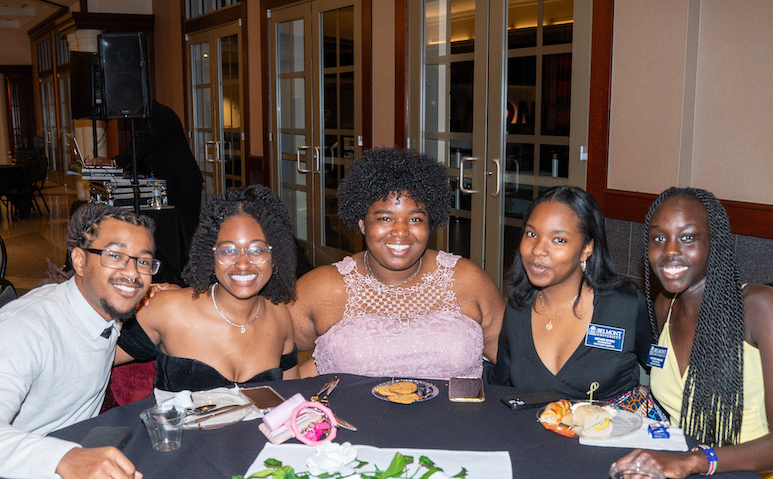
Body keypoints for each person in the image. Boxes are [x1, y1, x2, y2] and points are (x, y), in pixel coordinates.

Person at [619, 188, 773, 479]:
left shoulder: (757, 306)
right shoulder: (664, 306)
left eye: (688, 238)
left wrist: (695, 461)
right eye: (659, 239)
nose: (670, 251)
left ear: (714, 245)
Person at [289, 147, 506, 379]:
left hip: (461, 415)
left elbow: (512, 363)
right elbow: (270, 354)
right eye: (385, 218)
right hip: (351, 416)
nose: (401, 231)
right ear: (362, 224)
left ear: (429, 223)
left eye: (415, 219)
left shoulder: (468, 280)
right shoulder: (323, 288)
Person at [0, 203, 156, 479]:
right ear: (80, 260)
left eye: (143, 262)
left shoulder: (106, 309)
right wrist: (64, 458)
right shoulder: (25, 329)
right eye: (115, 256)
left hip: (73, 469)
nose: (132, 273)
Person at [116, 186, 298, 390]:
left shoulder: (279, 317)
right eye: (228, 250)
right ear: (210, 256)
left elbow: (290, 399)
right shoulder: (168, 309)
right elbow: (91, 359)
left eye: (257, 250)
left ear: (275, 259)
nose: (243, 263)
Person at [491, 187, 656, 407]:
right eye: (531, 234)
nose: (538, 250)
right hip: (531, 438)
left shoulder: (625, 307)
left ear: (587, 248)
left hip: (608, 438)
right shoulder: (518, 308)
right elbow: (501, 386)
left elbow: (665, 372)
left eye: (558, 240)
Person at [88, 100, 204, 239]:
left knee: (185, 233)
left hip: (183, 182)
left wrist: (114, 162)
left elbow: (144, 146)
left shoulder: (162, 115)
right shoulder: (144, 118)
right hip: (169, 182)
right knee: (169, 232)